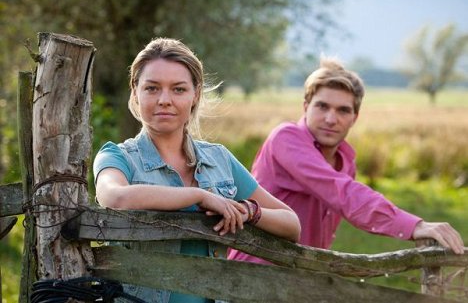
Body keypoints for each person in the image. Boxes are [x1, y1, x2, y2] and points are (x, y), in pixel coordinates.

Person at [93, 37, 300, 303]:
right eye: (152, 88)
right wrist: (199, 196)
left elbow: (292, 224)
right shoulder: (117, 156)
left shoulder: (220, 159)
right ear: (135, 92)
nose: (164, 100)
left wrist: (248, 211)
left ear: (195, 95)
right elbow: (115, 198)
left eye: (178, 89)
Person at [229, 57, 464, 264]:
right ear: (305, 107)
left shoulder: (346, 160)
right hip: (254, 273)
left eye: (343, 110)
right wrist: (414, 225)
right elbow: (340, 191)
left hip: (299, 279)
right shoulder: (286, 139)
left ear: (355, 117)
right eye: (322, 106)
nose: (331, 119)